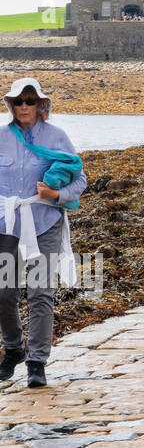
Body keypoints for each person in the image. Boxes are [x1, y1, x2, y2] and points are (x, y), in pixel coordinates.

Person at [0, 78, 86, 388]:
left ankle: (37, 361)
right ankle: (13, 348)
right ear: (11, 105)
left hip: (45, 222)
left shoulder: (57, 137)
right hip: (7, 225)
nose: (23, 106)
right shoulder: (1, 137)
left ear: (41, 105)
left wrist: (55, 196)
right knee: (3, 293)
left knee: (40, 292)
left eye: (29, 101)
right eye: (18, 101)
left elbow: (80, 182)